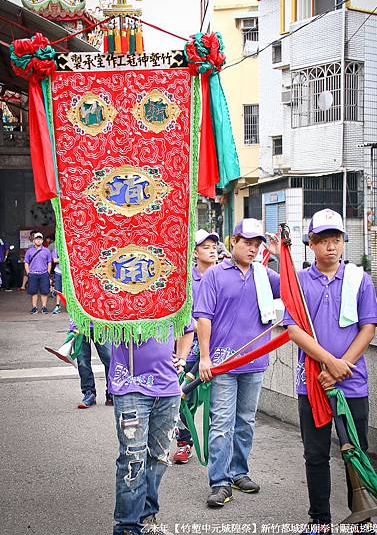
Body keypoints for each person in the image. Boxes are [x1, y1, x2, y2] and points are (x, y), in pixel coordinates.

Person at [283, 209, 377, 533]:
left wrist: (341, 367)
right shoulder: (298, 283)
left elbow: (367, 328)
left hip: (352, 383)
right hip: (311, 383)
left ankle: (363, 518)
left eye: (336, 240)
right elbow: (294, 331)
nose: (331, 247)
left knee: (357, 451)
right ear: (311, 244)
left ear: (343, 243)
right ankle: (320, 519)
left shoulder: (359, 279)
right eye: (323, 240)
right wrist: (328, 362)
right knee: (315, 454)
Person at [195, 218, 280, 508]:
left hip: (255, 362)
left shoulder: (264, 275)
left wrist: (283, 255)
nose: (252, 248)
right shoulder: (215, 275)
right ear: (233, 242)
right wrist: (204, 357)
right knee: (221, 424)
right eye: (247, 242)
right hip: (222, 364)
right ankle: (219, 482)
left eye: (257, 244)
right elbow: (203, 317)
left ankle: (239, 472)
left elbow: (295, 291)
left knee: (245, 422)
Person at [108, 323, 193, 535]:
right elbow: (91, 320)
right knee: (132, 458)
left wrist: (181, 358)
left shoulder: (168, 294)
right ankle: (127, 526)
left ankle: (146, 518)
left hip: (167, 389)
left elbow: (188, 327)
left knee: (158, 457)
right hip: (130, 388)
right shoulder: (117, 293)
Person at [172, 229, 219, 465]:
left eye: (214, 246)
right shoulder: (186, 280)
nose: (212, 250)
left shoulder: (223, 275)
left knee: (216, 401)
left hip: (217, 348)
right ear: (194, 252)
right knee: (183, 396)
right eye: (206, 247)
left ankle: (216, 448)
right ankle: (184, 442)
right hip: (189, 348)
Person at [72, 321, 114, 409]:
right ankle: (89, 393)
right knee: (82, 361)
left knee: (109, 358)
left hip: (102, 323)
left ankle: (111, 392)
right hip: (79, 324)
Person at [24, 232, 52, 314]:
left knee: (44, 291)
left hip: (44, 274)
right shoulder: (29, 251)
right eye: (37, 239)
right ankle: (34, 307)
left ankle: (44, 307)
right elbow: (26, 262)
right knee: (33, 292)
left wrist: (48, 273)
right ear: (33, 241)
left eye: (40, 239)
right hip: (33, 274)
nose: (38, 241)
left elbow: (49, 262)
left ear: (42, 240)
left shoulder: (46, 251)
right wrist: (28, 273)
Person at [51, 247, 62, 314]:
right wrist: (66, 258)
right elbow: (55, 260)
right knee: (58, 290)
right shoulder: (56, 249)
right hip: (58, 272)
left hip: (69, 272)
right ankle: (57, 305)